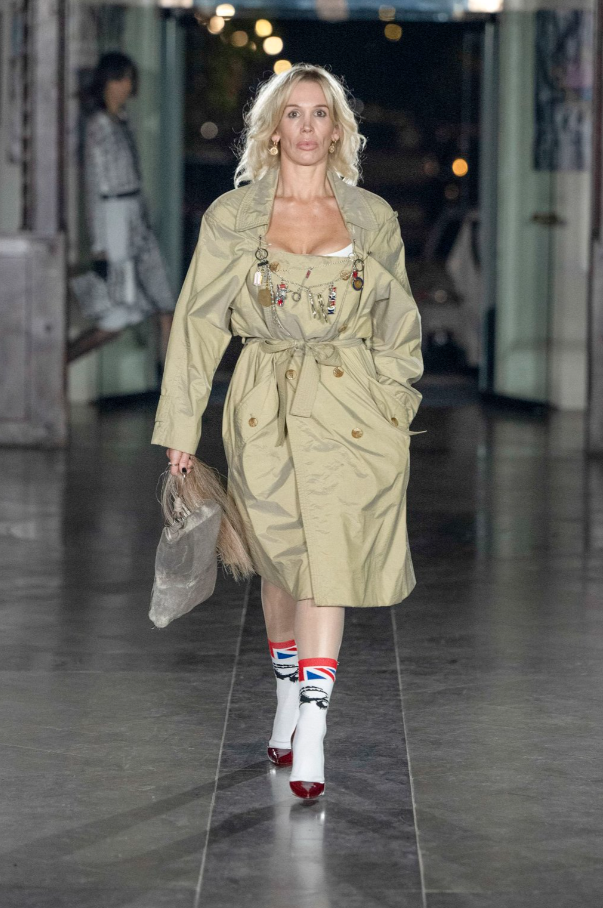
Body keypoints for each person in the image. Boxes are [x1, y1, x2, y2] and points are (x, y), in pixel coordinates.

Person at [152, 64, 424, 800]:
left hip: (352, 409)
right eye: (294, 113)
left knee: (328, 559)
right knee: (280, 563)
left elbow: (398, 319)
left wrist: (395, 403)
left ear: (338, 130)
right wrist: (182, 427)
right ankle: (284, 693)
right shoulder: (233, 216)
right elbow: (199, 323)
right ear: (273, 129)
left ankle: (312, 725)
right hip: (263, 402)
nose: (307, 127)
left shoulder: (371, 217)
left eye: (320, 113)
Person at [68, 51, 175, 364]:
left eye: (129, 79)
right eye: (120, 79)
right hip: (115, 218)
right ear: (107, 82)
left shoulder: (122, 120)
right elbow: (93, 187)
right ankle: (50, 367)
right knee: (116, 320)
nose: (126, 86)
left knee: (163, 304)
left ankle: (170, 385)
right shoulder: (98, 125)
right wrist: (99, 247)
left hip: (132, 217)